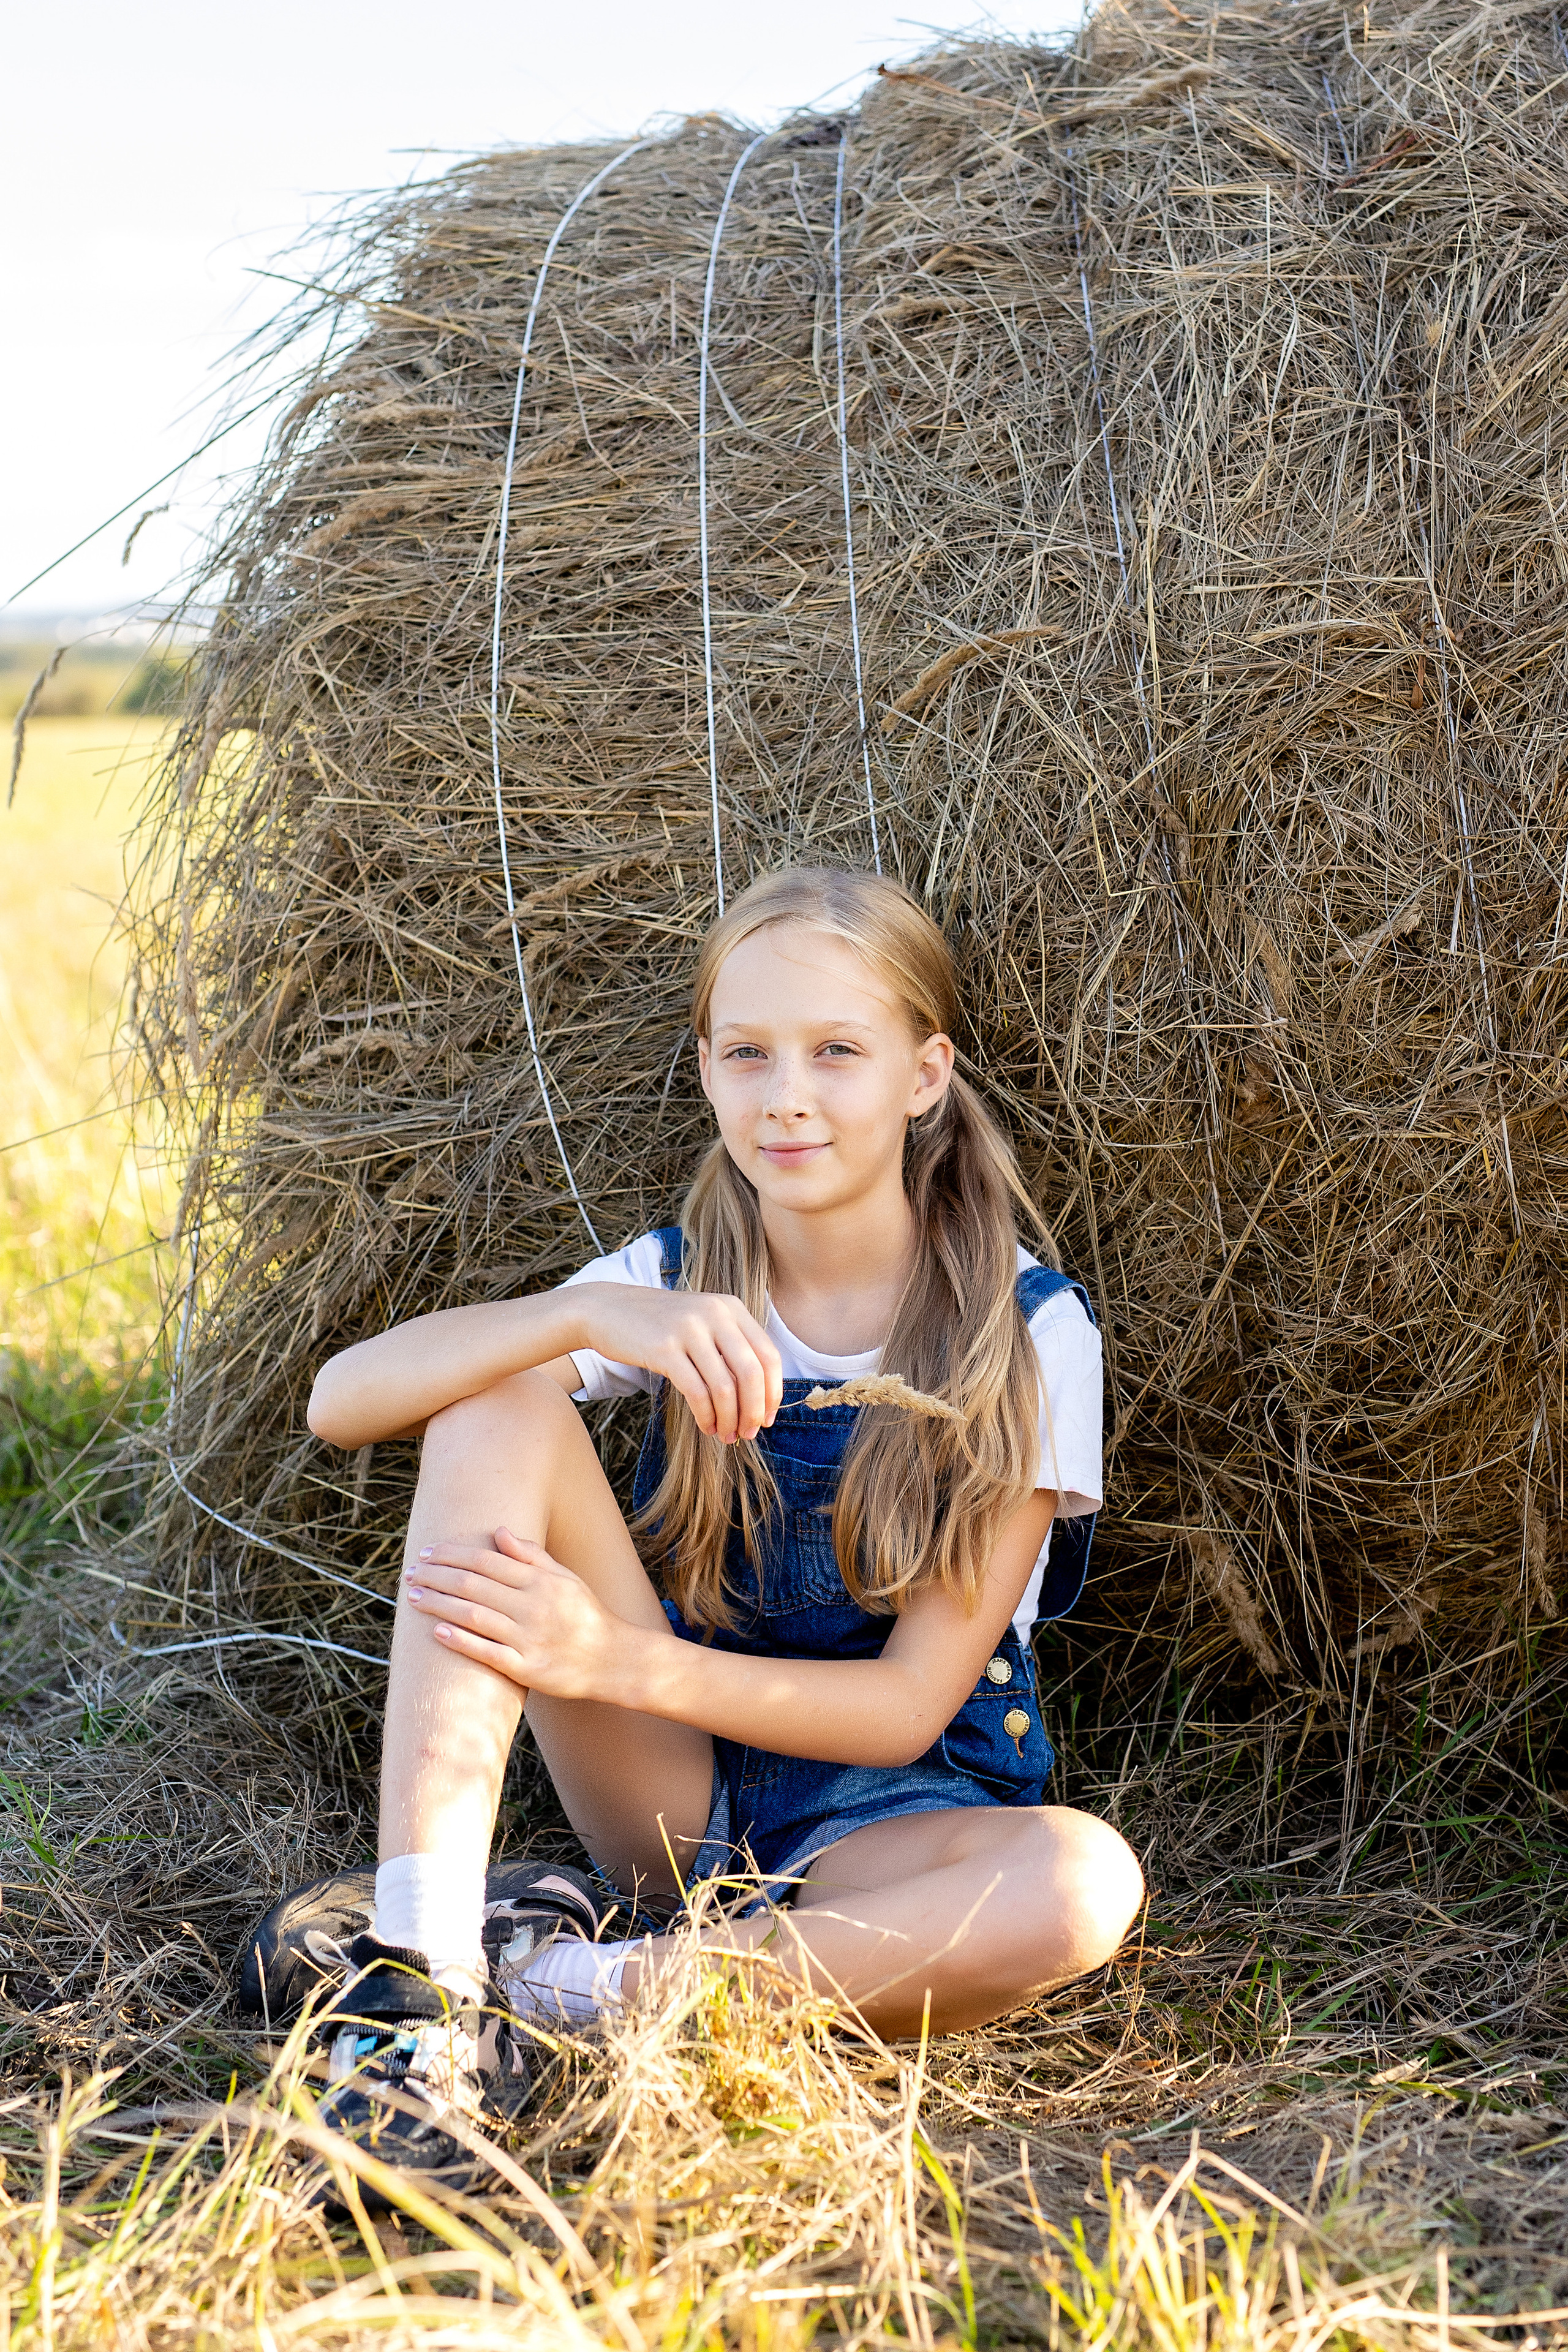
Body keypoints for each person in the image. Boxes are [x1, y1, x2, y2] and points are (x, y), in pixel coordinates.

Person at [241, 865, 1142, 2184]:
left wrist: (610, 1663)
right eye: (747, 1053)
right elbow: (339, 1403)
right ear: (707, 1073)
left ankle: (569, 1986)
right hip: (673, 1799)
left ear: (923, 1074)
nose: (786, 1095)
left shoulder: (1027, 1331)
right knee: (494, 1408)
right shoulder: (667, 1281)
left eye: (837, 1051)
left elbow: (902, 1712)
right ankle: (423, 1986)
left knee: (1083, 1887)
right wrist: (583, 1319)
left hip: (892, 1827)